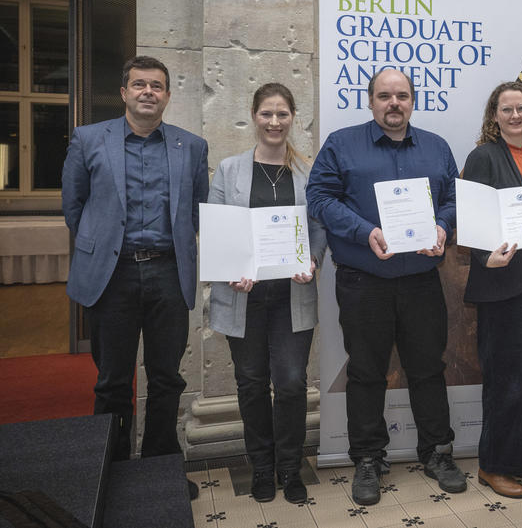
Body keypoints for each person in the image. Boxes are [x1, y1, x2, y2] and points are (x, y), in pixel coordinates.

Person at [306, 68, 467, 506]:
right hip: (363, 282)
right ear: (371, 100)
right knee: (365, 371)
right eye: (384, 96)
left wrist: (442, 224)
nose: (393, 103)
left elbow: (454, 199)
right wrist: (365, 232)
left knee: (428, 368)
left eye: (402, 96)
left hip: (420, 281)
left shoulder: (436, 147)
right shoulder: (341, 144)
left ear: (413, 100)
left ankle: (437, 452)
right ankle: (368, 459)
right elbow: (319, 197)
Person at [61, 55, 208, 500]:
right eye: (139, 84)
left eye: (157, 86)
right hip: (113, 275)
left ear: (167, 95)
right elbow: (74, 206)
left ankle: (161, 468)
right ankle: (113, 472)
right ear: (124, 92)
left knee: (167, 379)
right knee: (112, 382)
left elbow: (201, 210)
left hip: (168, 272)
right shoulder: (88, 139)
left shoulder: (192, 146)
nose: (148, 92)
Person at [207, 83, 327, 503]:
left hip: (291, 298)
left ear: (293, 117)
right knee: (251, 384)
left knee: (292, 384)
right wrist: (231, 270)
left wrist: (311, 260)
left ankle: (290, 468)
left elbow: (318, 226)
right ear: (254, 116)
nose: (275, 122)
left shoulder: (308, 172)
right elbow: (219, 229)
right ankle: (261, 467)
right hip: (245, 298)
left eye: (282, 114)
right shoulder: (229, 169)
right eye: (266, 114)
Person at [461, 81, 522, 499]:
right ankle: (494, 466)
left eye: (521, 108)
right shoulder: (483, 157)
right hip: (501, 281)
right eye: (507, 109)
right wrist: (486, 258)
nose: (515, 115)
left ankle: (516, 455)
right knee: (507, 377)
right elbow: (472, 219)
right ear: (494, 116)